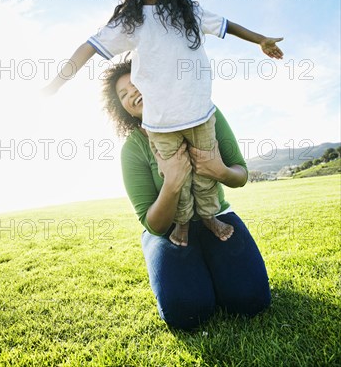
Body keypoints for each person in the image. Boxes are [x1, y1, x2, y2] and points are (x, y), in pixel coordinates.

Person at [43, 0, 283, 246]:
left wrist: (260, 39)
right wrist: (57, 82)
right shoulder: (132, 21)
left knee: (205, 172)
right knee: (177, 178)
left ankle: (209, 216)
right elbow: (90, 46)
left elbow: (226, 26)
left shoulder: (188, 12)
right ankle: (182, 222)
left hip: (198, 113)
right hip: (160, 123)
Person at [101, 59, 271, 330]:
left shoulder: (205, 115)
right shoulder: (133, 149)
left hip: (216, 216)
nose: (132, 92)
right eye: (123, 94)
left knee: (252, 300)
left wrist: (218, 170)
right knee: (187, 310)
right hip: (169, 229)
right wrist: (172, 183)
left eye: (136, 83)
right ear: (124, 111)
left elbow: (241, 174)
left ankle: (212, 260)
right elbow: (152, 223)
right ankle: (196, 266)